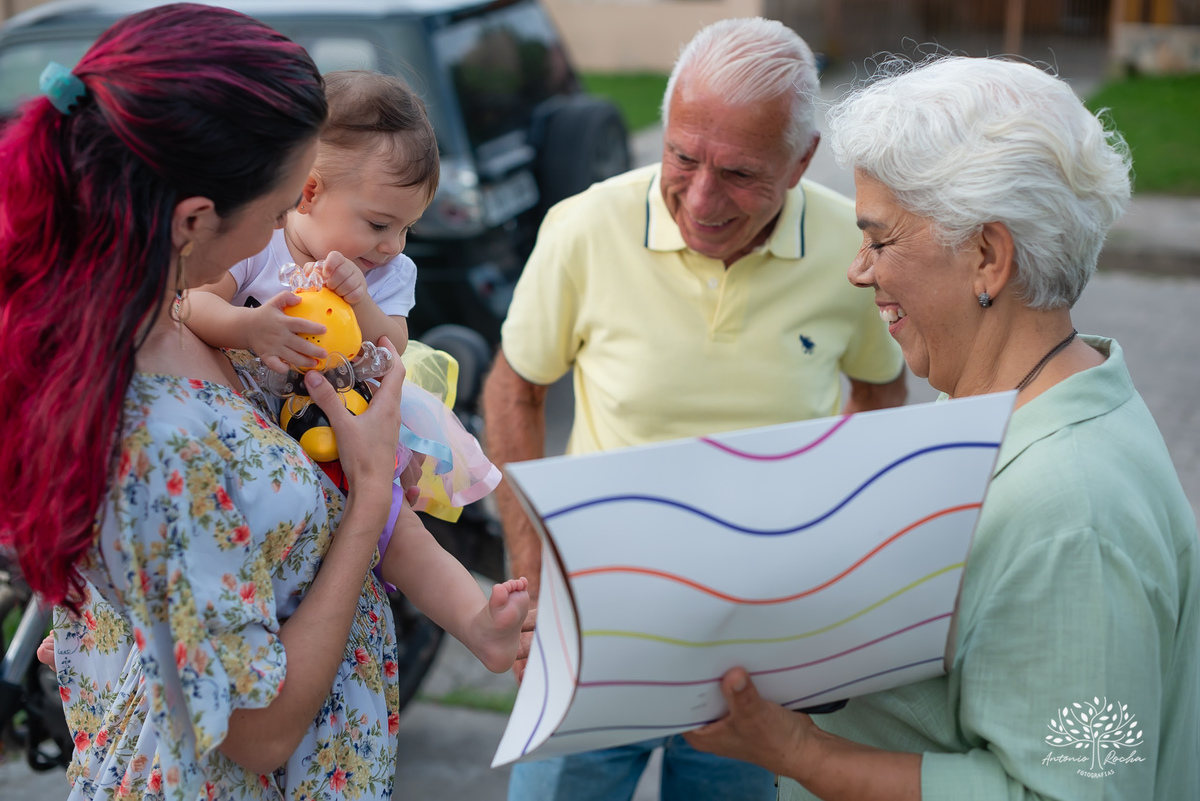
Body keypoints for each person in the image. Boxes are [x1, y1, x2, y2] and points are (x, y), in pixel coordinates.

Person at [0, 6, 524, 800]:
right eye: (280, 207)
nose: (284, 232)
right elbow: (258, 732)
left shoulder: (160, 335)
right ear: (194, 220)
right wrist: (367, 493)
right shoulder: (159, 421)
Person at [683, 56, 1200, 801]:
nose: (858, 270)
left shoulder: (1069, 511)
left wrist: (801, 752)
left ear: (987, 256)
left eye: (880, 239)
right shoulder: (1004, 405)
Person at [482, 17, 907, 801]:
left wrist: (844, 563)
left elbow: (880, 393)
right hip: (599, 626)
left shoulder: (853, 250)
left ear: (802, 159)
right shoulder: (585, 227)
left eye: (740, 172)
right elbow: (515, 387)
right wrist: (533, 576)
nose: (701, 199)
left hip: (763, 646)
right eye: (682, 157)